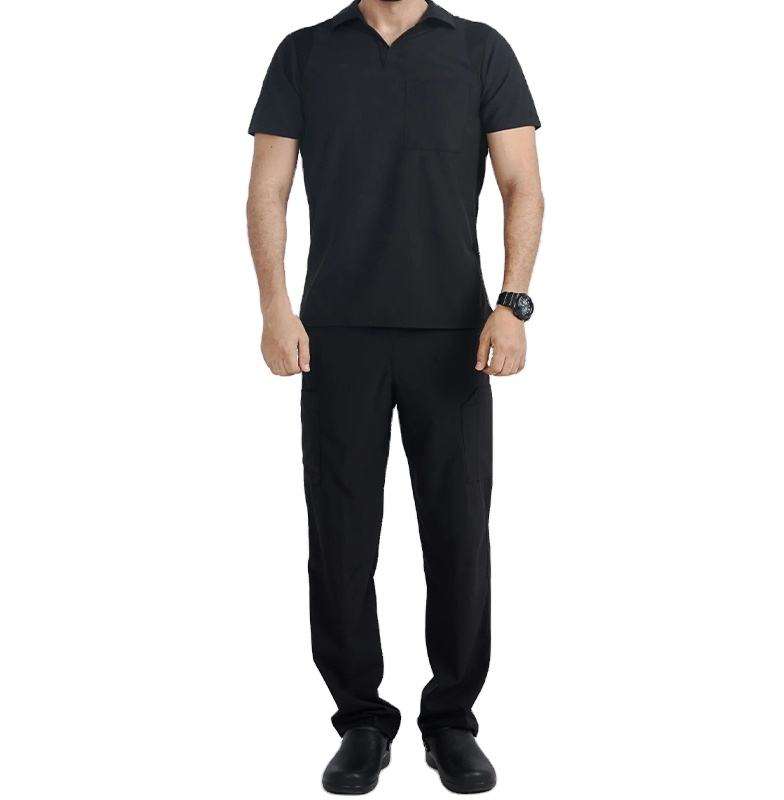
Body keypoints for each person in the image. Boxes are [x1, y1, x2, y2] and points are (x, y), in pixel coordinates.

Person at [246, 0, 542, 792]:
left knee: (458, 534)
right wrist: (275, 306)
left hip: (455, 334)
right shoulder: (305, 53)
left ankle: (450, 721)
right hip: (336, 332)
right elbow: (268, 190)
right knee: (340, 537)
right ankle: (361, 721)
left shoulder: (480, 50)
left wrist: (512, 304)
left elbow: (522, 185)